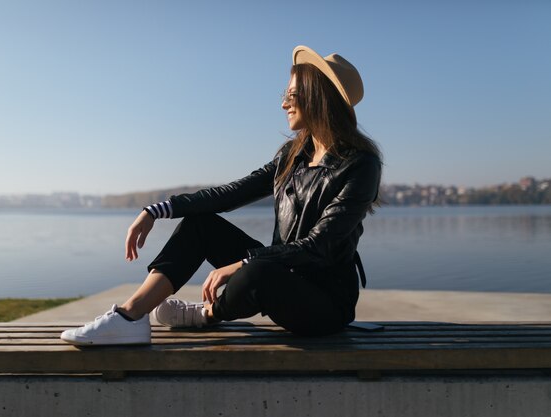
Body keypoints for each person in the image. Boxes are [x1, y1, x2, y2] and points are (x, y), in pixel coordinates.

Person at [60, 45, 382, 345]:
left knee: (257, 270)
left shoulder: (359, 165)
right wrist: (158, 209)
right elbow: (230, 194)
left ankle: (204, 315)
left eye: (292, 94)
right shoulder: (293, 155)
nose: (284, 102)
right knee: (200, 224)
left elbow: (319, 247)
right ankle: (130, 316)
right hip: (279, 271)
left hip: (324, 304)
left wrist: (242, 263)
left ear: (317, 97)